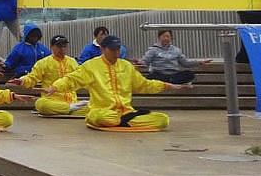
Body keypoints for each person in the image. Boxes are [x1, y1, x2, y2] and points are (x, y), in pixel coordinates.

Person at [47, 35, 190, 130]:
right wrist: (55, 86)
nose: (116, 54)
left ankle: (123, 121)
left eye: (117, 50)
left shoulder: (126, 66)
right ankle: (121, 121)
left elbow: (144, 84)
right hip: (103, 112)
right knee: (98, 116)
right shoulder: (91, 66)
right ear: (103, 49)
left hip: (125, 113)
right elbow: (72, 79)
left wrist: (168, 86)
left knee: (162, 120)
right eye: (112, 50)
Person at [8, 35, 87, 116]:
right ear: (52, 47)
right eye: (59, 46)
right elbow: (32, 77)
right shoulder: (43, 63)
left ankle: (67, 109)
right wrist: (22, 80)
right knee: (41, 104)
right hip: (52, 101)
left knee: (93, 107)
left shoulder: (73, 62)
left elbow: (80, 78)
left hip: (72, 101)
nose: (62, 49)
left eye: (64, 46)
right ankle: (69, 109)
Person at [139, 29, 209, 84]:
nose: (166, 38)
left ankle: (169, 81)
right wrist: (140, 62)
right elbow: (145, 61)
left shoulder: (176, 50)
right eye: (163, 36)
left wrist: (199, 63)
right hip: (159, 74)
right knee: (151, 76)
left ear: (171, 38)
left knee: (189, 74)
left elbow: (185, 63)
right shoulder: (153, 49)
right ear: (159, 37)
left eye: (168, 36)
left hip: (174, 74)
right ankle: (170, 82)